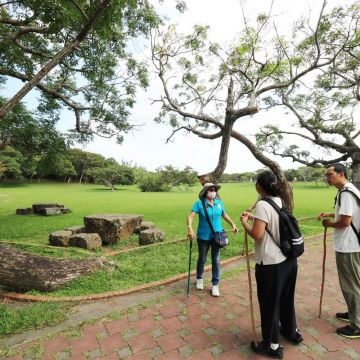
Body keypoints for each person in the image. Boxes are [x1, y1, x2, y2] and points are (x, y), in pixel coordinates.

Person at [240, 171, 303, 359]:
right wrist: (254, 219)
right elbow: (271, 223)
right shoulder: (279, 200)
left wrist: (244, 222)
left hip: (271, 263)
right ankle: (292, 332)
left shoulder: (261, 204)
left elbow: (258, 235)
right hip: (289, 260)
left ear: (259, 186)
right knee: (285, 299)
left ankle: (272, 345)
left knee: (269, 303)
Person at [317, 163, 360, 339]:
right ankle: (353, 313)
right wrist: (329, 214)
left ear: (341, 174)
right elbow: (345, 215)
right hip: (352, 244)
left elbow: (345, 222)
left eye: (329, 174)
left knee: (351, 284)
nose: (327, 178)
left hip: (349, 246)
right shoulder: (350, 190)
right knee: (354, 282)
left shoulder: (346, 193)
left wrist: (329, 224)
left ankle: (357, 325)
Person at [187, 182, 238, 297]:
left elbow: (224, 214)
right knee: (202, 258)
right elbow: (190, 216)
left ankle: (215, 285)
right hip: (203, 237)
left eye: (215, 189)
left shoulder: (219, 203)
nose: (213, 191)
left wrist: (232, 224)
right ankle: (199, 278)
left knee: (216, 260)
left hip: (217, 236)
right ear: (205, 191)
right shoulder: (199, 203)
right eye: (211, 189)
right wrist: (190, 228)